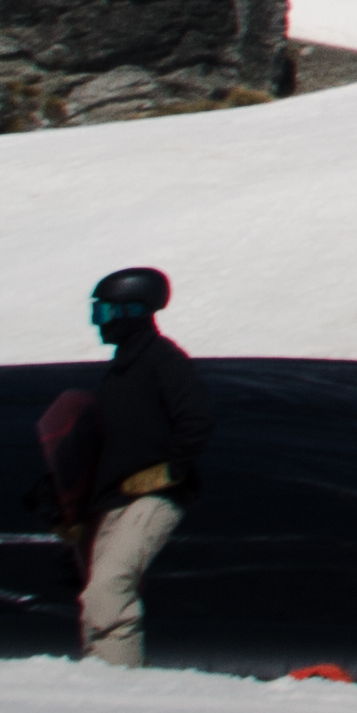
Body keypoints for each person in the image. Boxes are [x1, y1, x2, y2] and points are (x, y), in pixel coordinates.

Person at [54, 266, 215, 667]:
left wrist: (168, 472)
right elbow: (113, 448)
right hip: (116, 500)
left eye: (105, 314)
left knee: (109, 589)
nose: (99, 325)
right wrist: (78, 509)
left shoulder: (164, 360)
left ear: (133, 311)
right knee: (95, 599)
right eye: (97, 314)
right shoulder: (120, 373)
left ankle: (121, 691)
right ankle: (101, 678)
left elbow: (197, 421)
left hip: (154, 497)